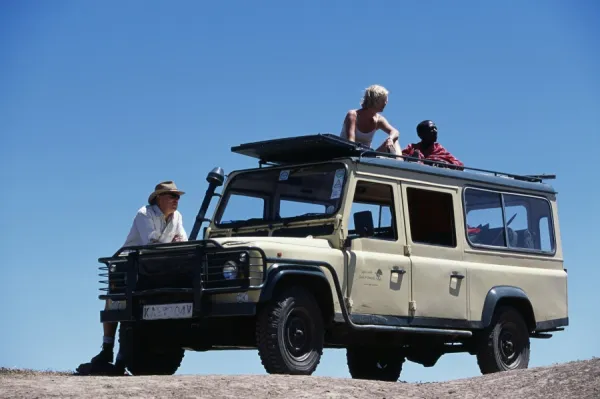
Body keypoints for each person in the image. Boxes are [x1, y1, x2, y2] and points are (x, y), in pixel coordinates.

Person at [76, 180, 187, 375]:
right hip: (132, 264)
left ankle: (128, 354)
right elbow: (150, 244)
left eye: (178, 196)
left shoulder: (177, 216)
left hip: (161, 268)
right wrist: (173, 244)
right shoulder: (144, 214)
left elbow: (183, 243)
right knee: (117, 301)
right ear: (159, 198)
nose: (176, 200)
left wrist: (174, 245)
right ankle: (107, 348)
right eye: (172, 196)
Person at [340, 84, 402, 157]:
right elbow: (351, 142)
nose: (385, 103)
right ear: (375, 100)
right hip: (349, 154)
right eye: (383, 100)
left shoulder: (378, 119)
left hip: (367, 155)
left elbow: (395, 132)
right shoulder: (353, 115)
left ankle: (402, 164)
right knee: (353, 148)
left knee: (394, 140)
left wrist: (390, 139)